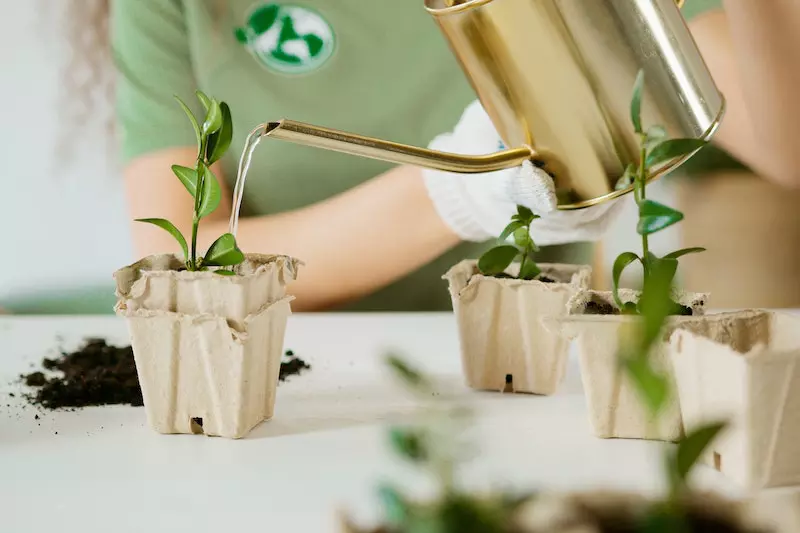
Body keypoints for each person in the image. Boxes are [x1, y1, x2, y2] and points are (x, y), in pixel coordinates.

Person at [104, 0, 798, 312]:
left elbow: (786, 146)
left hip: (519, 361)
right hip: (269, 376)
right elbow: (174, 263)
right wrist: (461, 190)